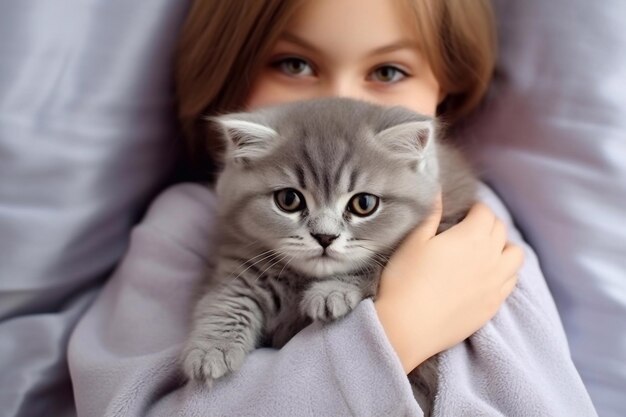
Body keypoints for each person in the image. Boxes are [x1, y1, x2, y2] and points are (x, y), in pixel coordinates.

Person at [67, 0, 597, 415]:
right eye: (295, 63)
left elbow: (542, 397)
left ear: (444, 90)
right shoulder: (187, 223)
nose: (341, 98)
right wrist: (394, 332)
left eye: (388, 71)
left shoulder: (476, 226)